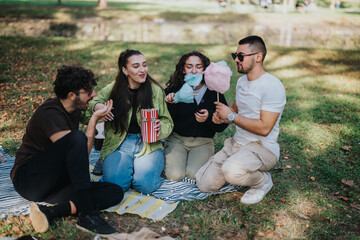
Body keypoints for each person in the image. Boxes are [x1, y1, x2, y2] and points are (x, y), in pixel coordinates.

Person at [10, 66, 124, 235]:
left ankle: (51, 212)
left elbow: (78, 159)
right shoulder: (50, 113)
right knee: (77, 137)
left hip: (54, 183)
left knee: (114, 192)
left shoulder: (74, 109)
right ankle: (88, 214)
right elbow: (79, 154)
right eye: (88, 91)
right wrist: (93, 121)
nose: (93, 95)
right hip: (29, 180)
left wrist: (94, 114)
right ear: (72, 95)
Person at [195, 36, 286, 204]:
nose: (236, 59)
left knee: (231, 171)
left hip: (262, 148)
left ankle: (262, 181)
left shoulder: (272, 86)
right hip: (237, 144)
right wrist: (221, 118)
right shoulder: (242, 82)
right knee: (203, 184)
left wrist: (232, 116)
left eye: (241, 56)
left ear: (258, 57)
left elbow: (264, 128)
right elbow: (235, 112)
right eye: (235, 55)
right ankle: (237, 168)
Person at [86, 49, 173, 194]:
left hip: (148, 144)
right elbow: (91, 104)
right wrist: (98, 106)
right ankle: (112, 164)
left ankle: (134, 168)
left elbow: (167, 121)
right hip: (119, 142)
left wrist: (160, 127)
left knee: (145, 186)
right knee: (116, 186)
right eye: (136, 66)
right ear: (125, 70)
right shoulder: (113, 89)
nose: (142, 70)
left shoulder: (155, 90)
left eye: (144, 65)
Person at [164, 51, 228, 181]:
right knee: (174, 176)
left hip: (203, 141)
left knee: (194, 175)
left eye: (198, 66)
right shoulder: (174, 90)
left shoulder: (213, 91)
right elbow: (166, 121)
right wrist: (170, 103)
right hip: (178, 139)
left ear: (205, 69)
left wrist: (209, 117)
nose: (194, 71)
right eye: (189, 66)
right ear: (183, 69)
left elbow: (222, 126)